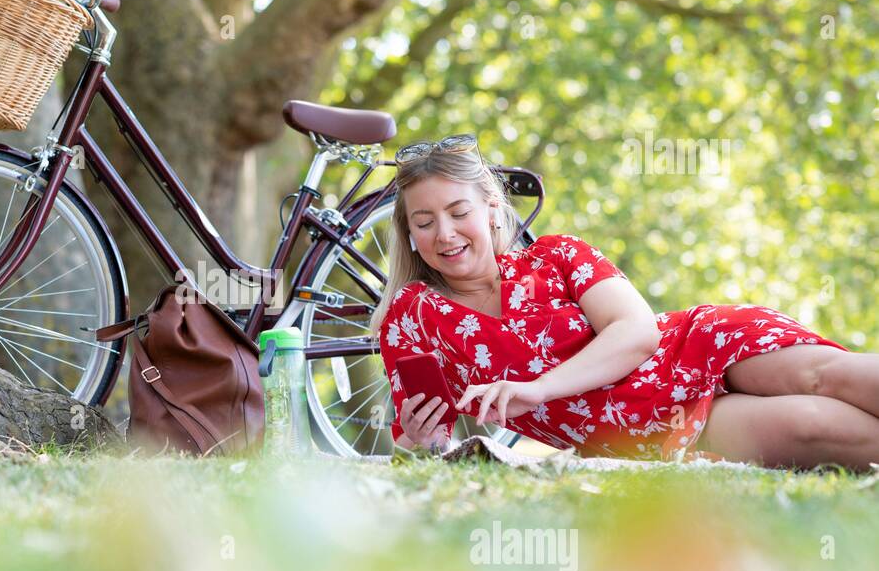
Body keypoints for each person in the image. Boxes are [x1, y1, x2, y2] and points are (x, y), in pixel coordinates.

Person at [372, 135, 879, 471]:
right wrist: (419, 439)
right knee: (813, 425)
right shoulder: (412, 318)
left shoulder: (557, 254)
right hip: (654, 429)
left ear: (490, 209)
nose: (445, 233)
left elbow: (638, 333)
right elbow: (425, 451)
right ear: (410, 232)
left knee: (828, 376)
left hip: (700, 345)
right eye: (424, 222)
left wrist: (538, 389)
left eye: (459, 212)